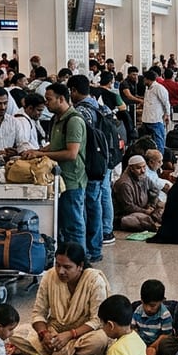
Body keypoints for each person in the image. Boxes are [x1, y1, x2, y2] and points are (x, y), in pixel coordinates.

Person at [9, 242, 111, 355]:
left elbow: (97, 321)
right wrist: (44, 334)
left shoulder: (94, 281)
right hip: (55, 331)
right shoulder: (50, 276)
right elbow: (38, 313)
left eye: (67, 267)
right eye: (58, 265)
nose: (60, 271)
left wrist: (70, 335)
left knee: (100, 340)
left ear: (80, 266)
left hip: (81, 334)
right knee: (16, 333)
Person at [22, 83, 86, 251]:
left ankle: (80, 262)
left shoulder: (73, 120)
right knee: (63, 224)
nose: (46, 103)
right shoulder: (57, 119)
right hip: (58, 179)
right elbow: (55, 145)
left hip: (72, 180)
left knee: (74, 224)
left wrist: (40, 155)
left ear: (61, 99)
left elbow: (71, 153)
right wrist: (36, 151)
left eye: (49, 99)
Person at [68, 75, 116, 260]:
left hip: (90, 163)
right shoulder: (100, 106)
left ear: (73, 90)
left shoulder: (81, 112)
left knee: (90, 205)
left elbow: (80, 141)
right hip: (104, 159)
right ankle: (104, 236)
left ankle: (93, 247)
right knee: (100, 198)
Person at [112, 155, 162, 232]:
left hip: (146, 209)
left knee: (163, 206)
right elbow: (128, 207)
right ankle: (154, 225)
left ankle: (155, 222)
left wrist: (152, 205)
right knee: (132, 220)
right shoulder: (124, 184)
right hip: (128, 214)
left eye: (144, 167)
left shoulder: (143, 177)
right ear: (131, 169)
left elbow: (155, 191)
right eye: (139, 168)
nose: (143, 170)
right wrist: (146, 211)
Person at [134, 279, 174, 355]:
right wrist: (140, 346)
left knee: (165, 350)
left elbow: (165, 336)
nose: (148, 309)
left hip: (157, 344)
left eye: (153, 306)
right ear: (141, 300)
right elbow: (133, 329)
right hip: (141, 343)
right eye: (145, 304)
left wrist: (152, 347)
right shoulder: (138, 310)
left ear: (162, 301)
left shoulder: (165, 315)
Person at [141, 70, 171, 153]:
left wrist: (167, 114)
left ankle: (160, 159)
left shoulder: (159, 88)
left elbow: (166, 102)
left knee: (159, 142)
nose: (143, 81)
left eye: (144, 79)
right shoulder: (147, 89)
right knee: (147, 143)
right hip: (146, 120)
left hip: (156, 120)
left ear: (148, 79)